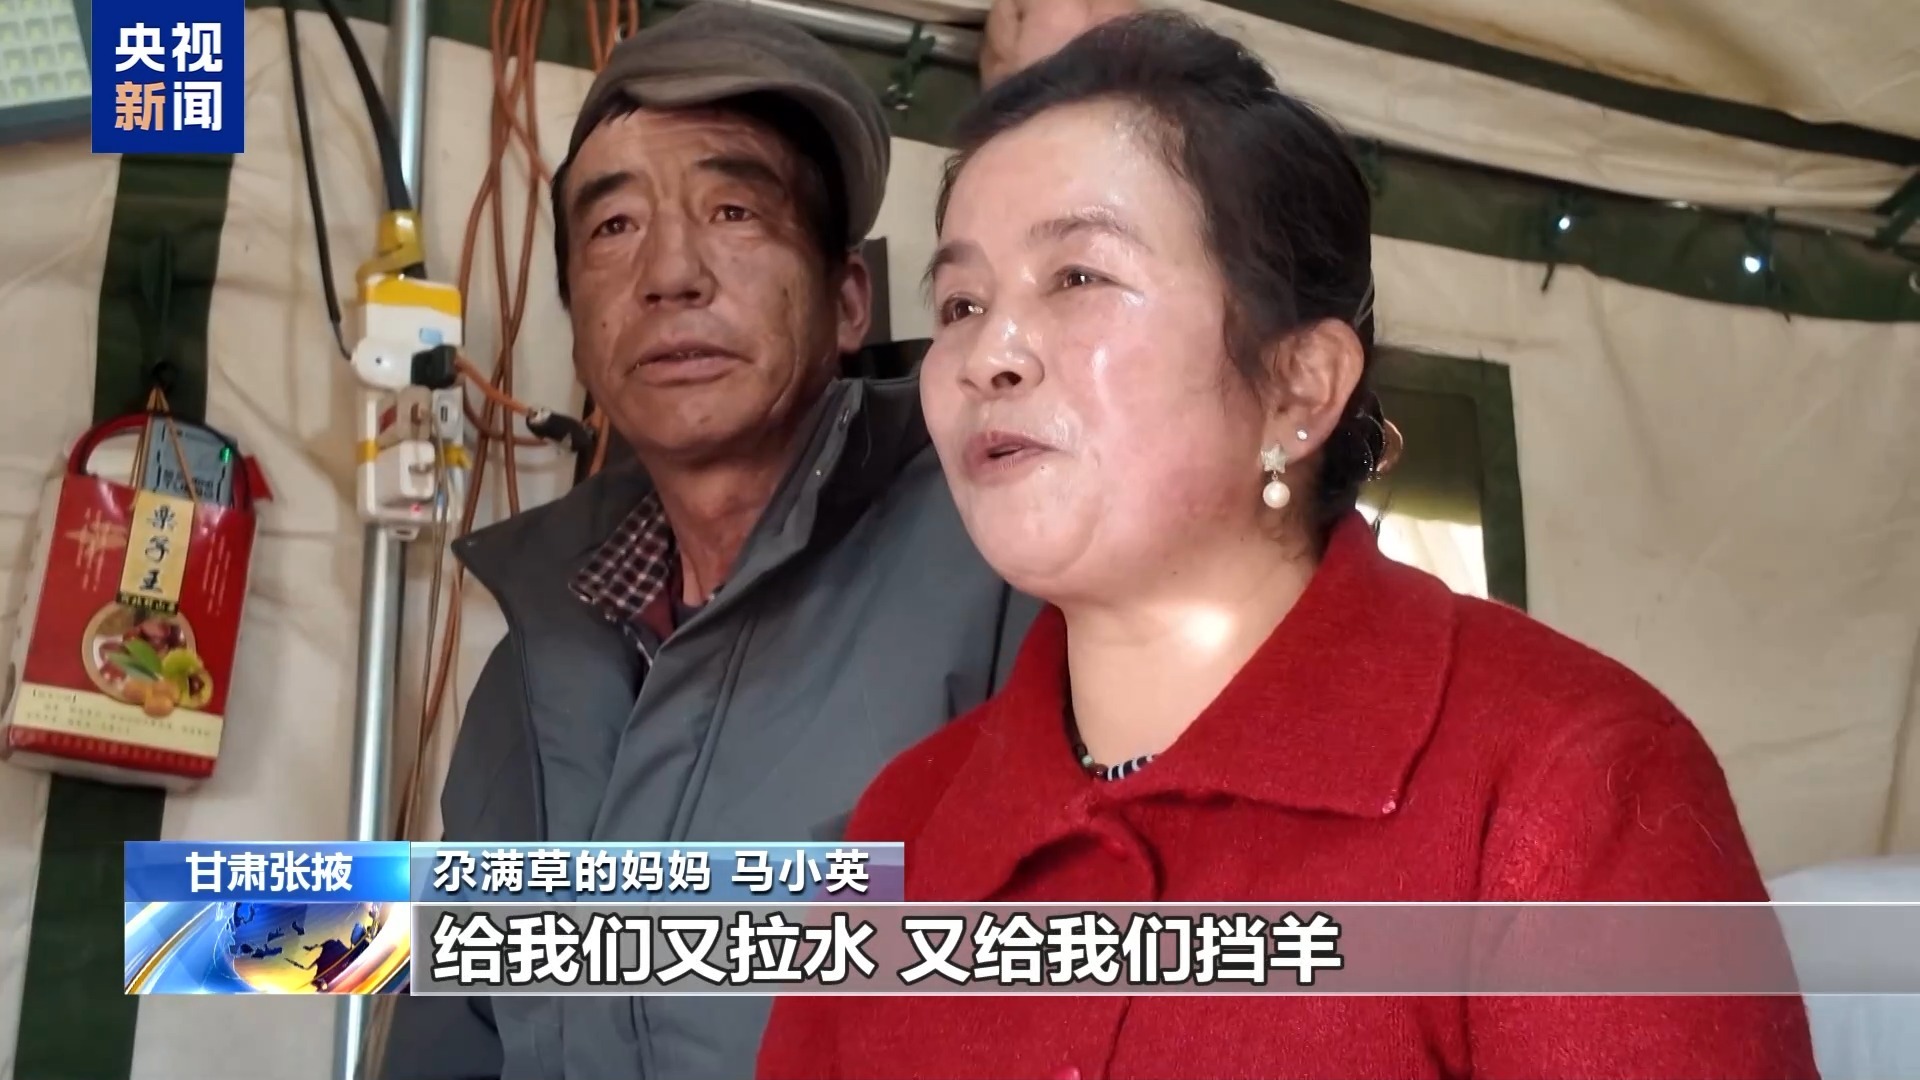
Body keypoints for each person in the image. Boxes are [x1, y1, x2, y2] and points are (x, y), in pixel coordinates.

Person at [757, 13, 1820, 1080]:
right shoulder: (902, 821)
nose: (988, 352)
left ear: (1300, 387)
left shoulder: (1563, 782)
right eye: (960, 302)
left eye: (1078, 277)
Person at [377, 5, 1050, 1079]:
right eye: (613, 227)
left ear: (848, 301)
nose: (670, 272)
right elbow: (447, 1031)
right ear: (579, 322)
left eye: (734, 210)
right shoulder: (537, 659)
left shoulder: (1006, 563)